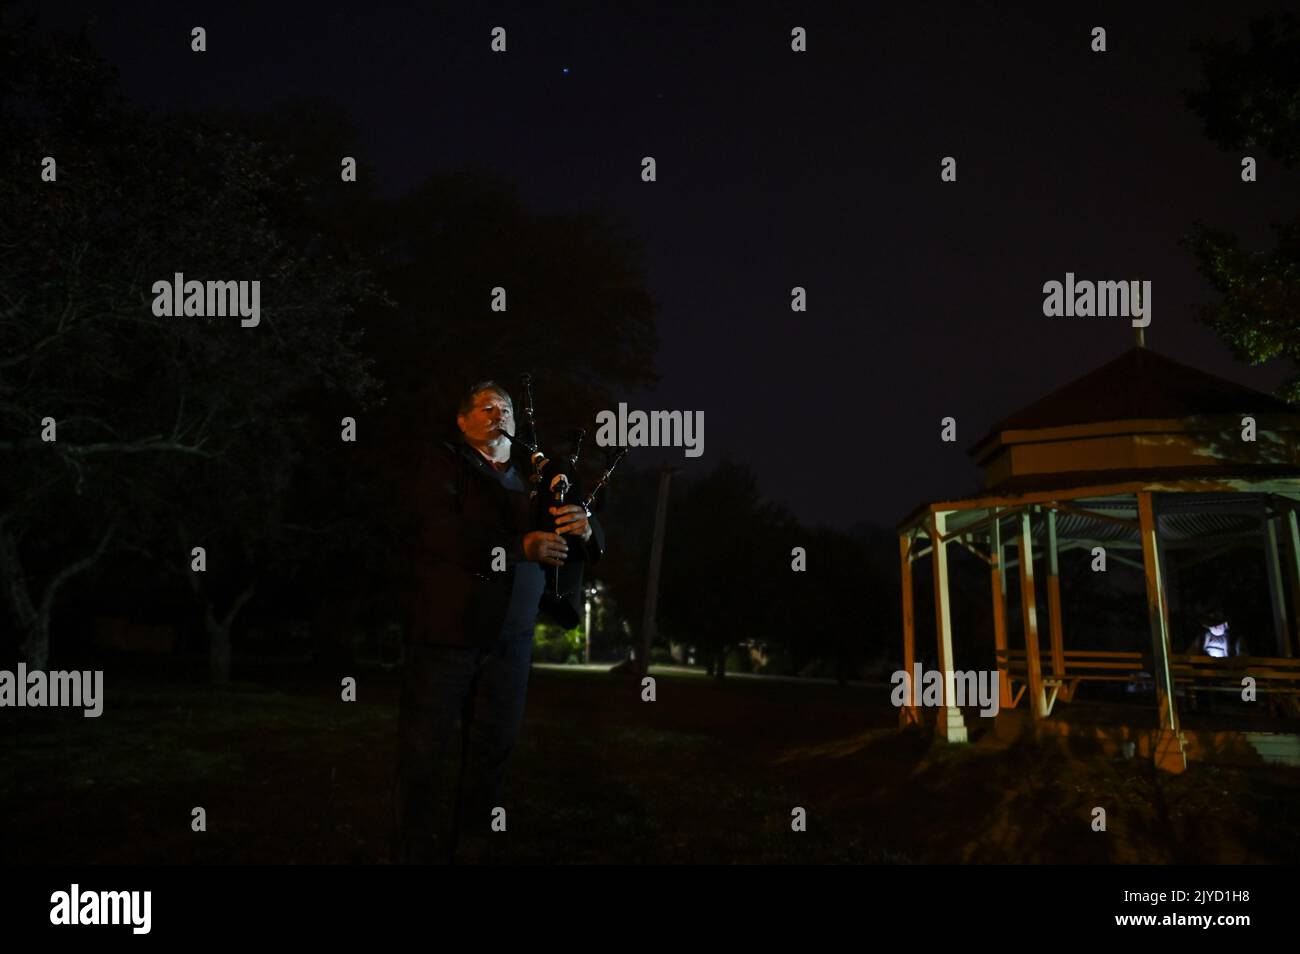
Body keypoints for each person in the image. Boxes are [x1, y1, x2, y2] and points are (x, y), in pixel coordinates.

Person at [392, 380, 604, 864]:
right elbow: (438, 532)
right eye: (486, 408)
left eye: (505, 408)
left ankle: (473, 848)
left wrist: (587, 526)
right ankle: (412, 851)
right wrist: (513, 549)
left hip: (511, 640)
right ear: (463, 421)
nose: (499, 415)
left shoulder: (538, 475)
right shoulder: (444, 464)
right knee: (424, 755)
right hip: (446, 636)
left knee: (492, 753)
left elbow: (583, 532)